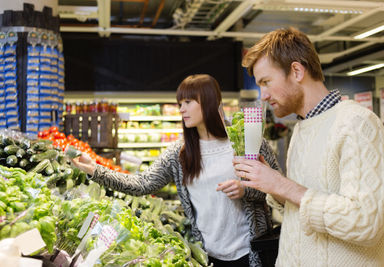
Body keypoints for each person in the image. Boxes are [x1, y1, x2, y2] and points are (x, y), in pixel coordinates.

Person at [72, 74, 280, 267]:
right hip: (208, 257)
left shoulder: (246, 141)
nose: (181, 109)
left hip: (252, 254)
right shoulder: (179, 153)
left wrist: (246, 190)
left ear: (208, 101)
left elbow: (277, 188)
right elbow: (143, 184)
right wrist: (95, 170)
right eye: (180, 103)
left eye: (188, 102)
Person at [233, 27, 384, 266]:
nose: (263, 95)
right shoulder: (302, 128)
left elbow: (366, 223)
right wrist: (272, 185)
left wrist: (282, 184)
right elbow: (301, 206)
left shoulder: (358, 124)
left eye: (266, 82)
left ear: (297, 71)